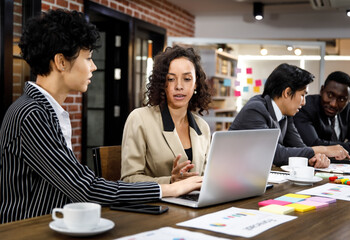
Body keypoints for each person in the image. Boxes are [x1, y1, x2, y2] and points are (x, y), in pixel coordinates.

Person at [0, 9, 202, 224]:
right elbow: (86, 188)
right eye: (88, 58)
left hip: (55, 224)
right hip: (26, 231)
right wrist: (169, 189)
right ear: (61, 62)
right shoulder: (32, 115)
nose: (94, 67)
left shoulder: (46, 111)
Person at [121, 45, 212, 184]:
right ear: (162, 83)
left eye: (187, 79)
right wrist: (170, 181)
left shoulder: (203, 127)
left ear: (196, 84)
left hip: (193, 203)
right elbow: (128, 179)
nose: (179, 86)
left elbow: (206, 178)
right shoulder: (139, 119)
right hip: (156, 204)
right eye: (171, 79)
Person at [229, 63, 350, 167]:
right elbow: (274, 154)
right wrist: (323, 149)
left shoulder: (286, 114)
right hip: (231, 178)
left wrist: (315, 158)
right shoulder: (255, 110)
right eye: (302, 95)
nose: (304, 102)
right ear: (287, 92)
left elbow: (299, 147)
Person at [294, 71, 350, 157]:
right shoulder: (306, 106)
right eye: (330, 95)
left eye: (342, 99)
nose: (333, 104)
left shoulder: (348, 109)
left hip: (340, 167)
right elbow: (313, 144)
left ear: (349, 98)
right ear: (322, 90)